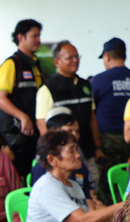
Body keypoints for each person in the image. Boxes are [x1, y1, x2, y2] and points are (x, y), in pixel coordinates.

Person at [35, 41, 104, 172]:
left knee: (91, 186)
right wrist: (54, 151)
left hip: (87, 151)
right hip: (63, 155)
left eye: (77, 57)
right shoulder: (48, 88)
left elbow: (92, 118)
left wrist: (97, 148)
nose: (75, 60)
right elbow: (42, 124)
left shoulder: (85, 85)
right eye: (70, 57)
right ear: (57, 62)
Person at [0, 19, 43, 179]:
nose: (38, 40)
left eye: (39, 36)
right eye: (34, 36)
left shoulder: (35, 64)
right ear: (21, 37)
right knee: (14, 177)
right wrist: (23, 117)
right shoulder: (11, 64)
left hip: (31, 134)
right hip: (13, 135)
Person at [91, 37, 130, 201]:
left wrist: (96, 147)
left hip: (107, 141)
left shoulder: (99, 80)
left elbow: (91, 112)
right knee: (129, 178)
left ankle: (110, 219)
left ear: (107, 56)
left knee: (107, 183)